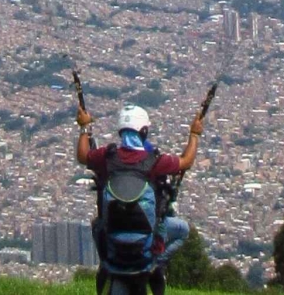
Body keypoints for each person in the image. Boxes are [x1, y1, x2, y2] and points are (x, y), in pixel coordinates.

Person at [78, 103, 203, 293]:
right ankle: (157, 263)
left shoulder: (106, 157)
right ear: (144, 131)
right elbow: (186, 161)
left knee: (97, 224)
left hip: (113, 245)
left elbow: (83, 156)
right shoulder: (155, 161)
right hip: (146, 248)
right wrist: (194, 134)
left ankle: (105, 262)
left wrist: (84, 127)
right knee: (183, 230)